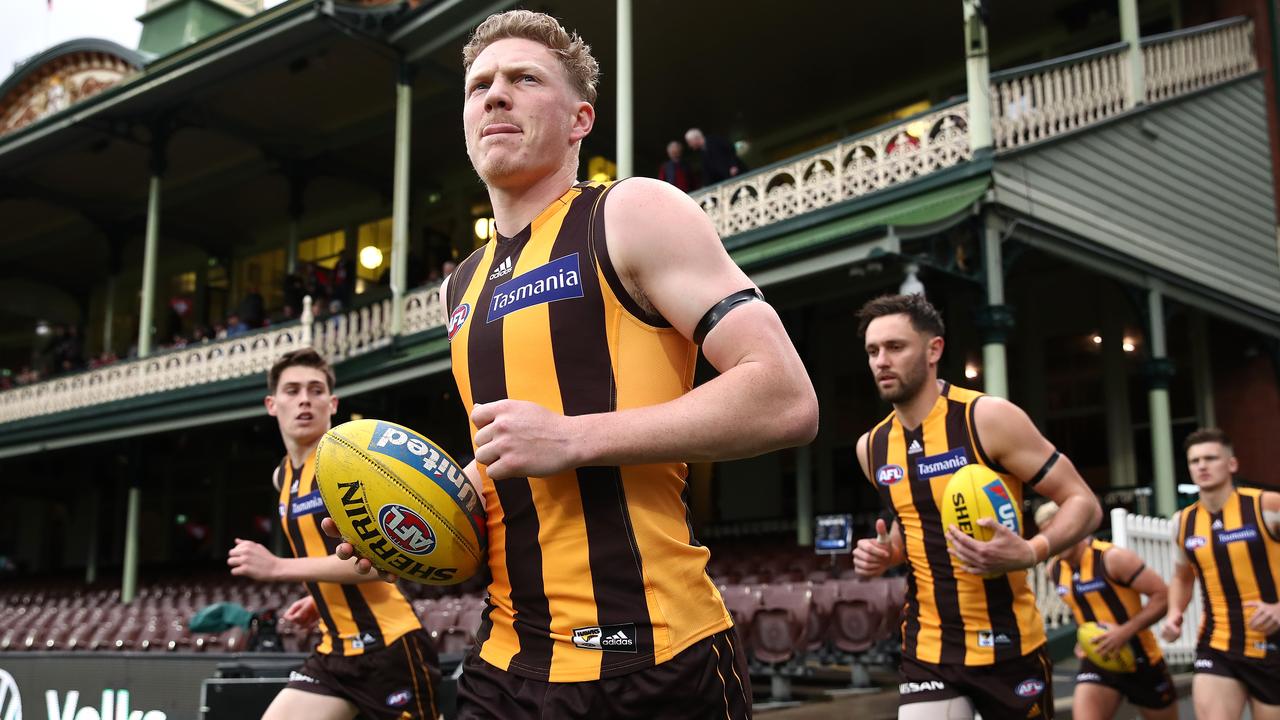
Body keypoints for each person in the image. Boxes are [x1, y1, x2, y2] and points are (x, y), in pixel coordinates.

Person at [328, 10, 817, 719]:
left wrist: (572, 439)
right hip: (506, 665)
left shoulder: (632, 212)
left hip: (656, 657)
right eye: (479, 86)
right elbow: (505, 451)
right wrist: (411, 514)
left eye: (524, 79)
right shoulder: (458, 287)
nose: (495, 95)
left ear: (580, 119)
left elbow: (786, 398)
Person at [851, 293, 1101, 720]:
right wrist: (885, 553)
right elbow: (910, 524)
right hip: (928, 648)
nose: (881, 361)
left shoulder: (987, 418)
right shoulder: (871, 447)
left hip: (1011, 645)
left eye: (895, 347)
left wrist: (1031, 551)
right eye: (873, 351)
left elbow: (1084, 503)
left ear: (934, 350)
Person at [230, 348, 440, 720]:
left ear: (333, 403)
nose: (305, 400)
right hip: (336, 651)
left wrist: (278, 568)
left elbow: (380, 562)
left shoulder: (352, 465)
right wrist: (322, 596)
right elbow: (333, 553)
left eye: (315, 390)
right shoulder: (283, 476)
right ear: (271, 403)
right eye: (292, 390)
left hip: (390, 648)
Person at [1160, 428, 1280, 720]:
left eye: (1211, 458)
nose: (1202, 466)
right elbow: (1182, 577)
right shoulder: (1183, 523)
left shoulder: (1266, 506)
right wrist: (1175, 612)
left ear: (1232, 464)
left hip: (1274, 646)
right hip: (1218, 643)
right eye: (1195, 460)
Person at [1036, 501, 1176, 719]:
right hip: (1099, 661)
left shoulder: (1112, 558)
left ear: (1075, 526)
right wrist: (1083, 639)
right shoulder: (1053, 570)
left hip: (1141, 659)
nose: (1055, 537)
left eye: (1057, 528)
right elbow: (1084, 609)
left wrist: (1124, 633)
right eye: (1047, 532)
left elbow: (1163, 596)